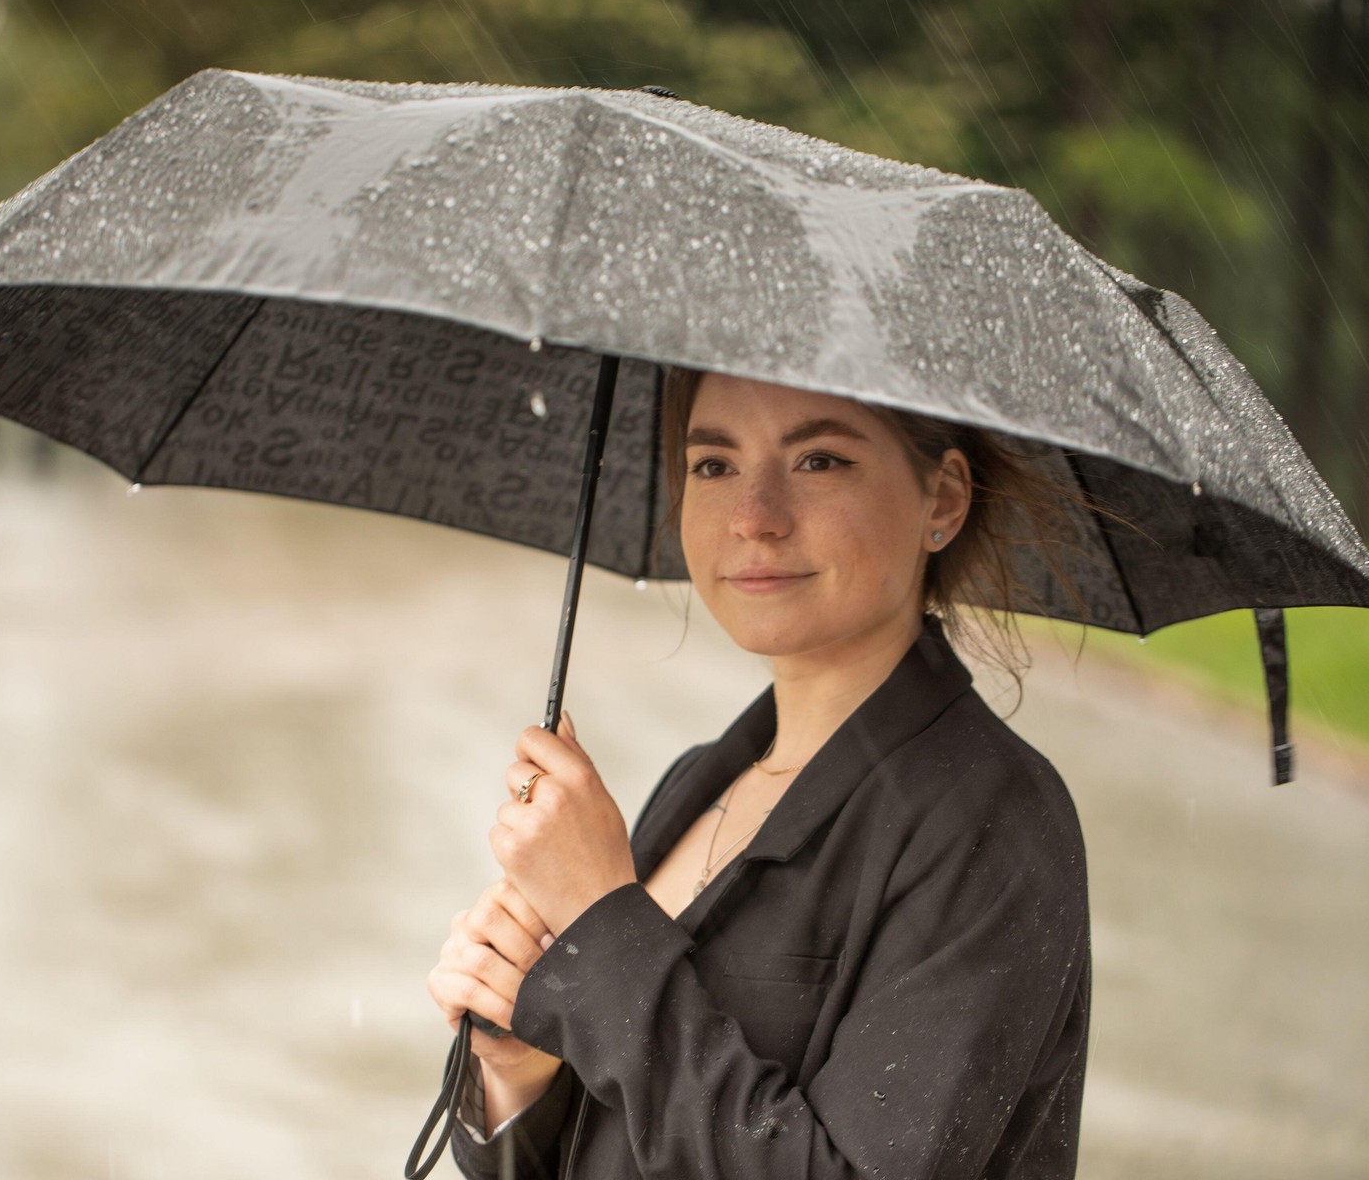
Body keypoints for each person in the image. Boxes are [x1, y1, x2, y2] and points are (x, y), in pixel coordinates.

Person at [425, 367, 1094, 1180]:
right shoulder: (699, 781)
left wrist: (601, 917)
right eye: (714, 464)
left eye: (819, 461)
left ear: (943, 499)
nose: (753, 517)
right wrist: (520, 1077)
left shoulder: (995, 823)